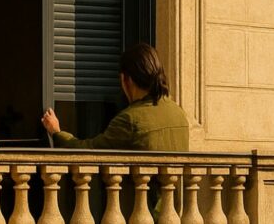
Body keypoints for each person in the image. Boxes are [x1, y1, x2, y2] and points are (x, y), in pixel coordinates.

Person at [40, 43, 189, 151]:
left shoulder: (130, 120)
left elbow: (89, 151)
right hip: (176, 196)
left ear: (126, 80)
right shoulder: (179, 114)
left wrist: (56, 132)